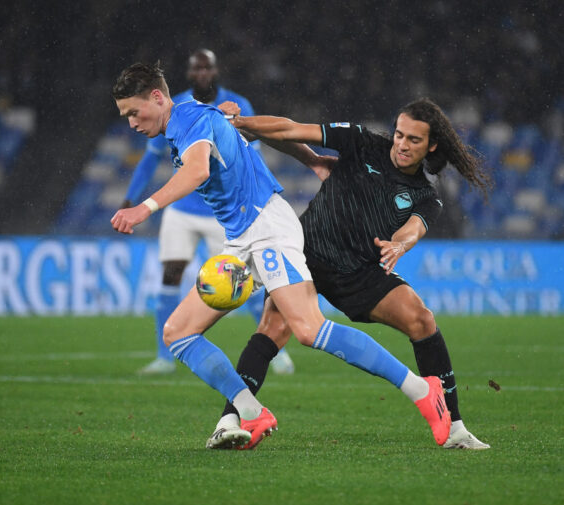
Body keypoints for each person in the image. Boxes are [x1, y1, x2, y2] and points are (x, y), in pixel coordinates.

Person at [110, 62, 451, 450]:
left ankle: (422, 390)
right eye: (126, 117)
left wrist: (144, 208)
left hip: (267, 228)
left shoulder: (187, 119)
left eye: (134, 112)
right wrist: (307, 158)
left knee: (308, 329)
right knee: (179, 333)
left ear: (157, 97)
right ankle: (251, 412)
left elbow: (198, 171)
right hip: (242, 236)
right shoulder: (190, 120)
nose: (132, 123)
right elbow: (242, 143)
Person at [211, 97, 492, 450]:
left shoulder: (425, 196)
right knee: (272, 328)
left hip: (359, 271)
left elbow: (414, 229)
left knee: (421, 319)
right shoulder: (362, 142)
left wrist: (400, 245)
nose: (402, 145)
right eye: (399, 135)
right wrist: (242, 123)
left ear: (431, 145)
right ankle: (231, 420)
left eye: (413, 140)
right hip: (307, 255)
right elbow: (293, 129)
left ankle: (455, 429)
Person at [123, 49, 294, 376]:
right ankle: (164, 355)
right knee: (170, 273)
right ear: (189, 73)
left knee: (243, 281)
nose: (201, 73)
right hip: (183, 209)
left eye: (207, 67)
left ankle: (276, 347)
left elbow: (247, 150)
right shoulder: (173, 107)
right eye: (196, 68)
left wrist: (230, 123)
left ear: (216, 70)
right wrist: (130, 199)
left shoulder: (236, 103)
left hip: (223, 213)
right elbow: (150, 158)